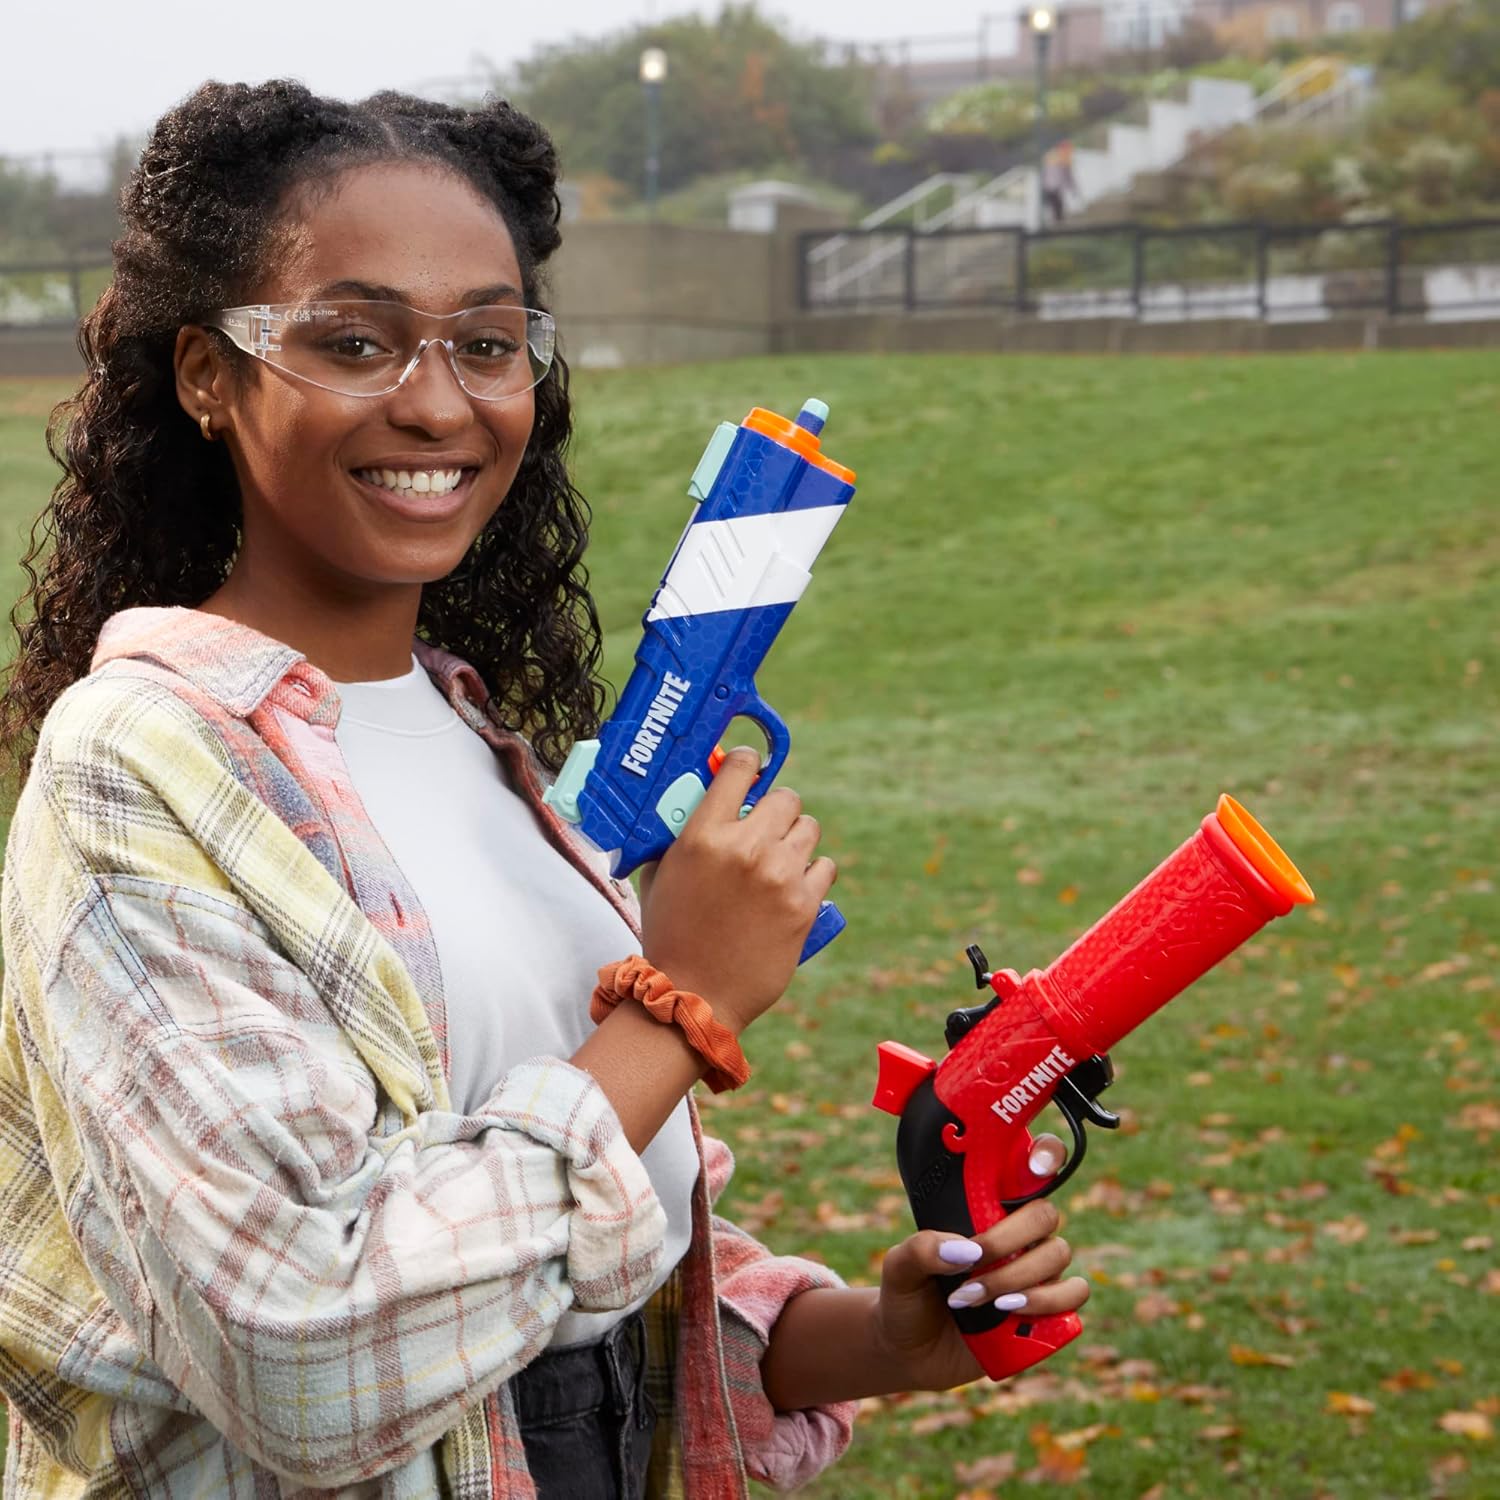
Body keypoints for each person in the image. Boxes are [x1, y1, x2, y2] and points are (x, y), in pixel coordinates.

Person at [0, 81, 1089, 1498]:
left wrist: (865, 1335)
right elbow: (303, 1360)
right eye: (355, 339)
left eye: (489, 342)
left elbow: (573, 1275)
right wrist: (681, 1005)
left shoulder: (472, 739)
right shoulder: (137, 767)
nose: (439, 399)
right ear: (209, 375)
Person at [1042, 140, 1078, 226]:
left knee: (1056, 205)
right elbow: (1067, 176)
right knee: (1057, 205)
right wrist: (1072, 187)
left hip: (1051, 185)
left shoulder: (1053, 157)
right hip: (1054, 186)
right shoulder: (1061, 158)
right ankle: (1058, 223)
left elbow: (1066, 175)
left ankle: (1057, 222)